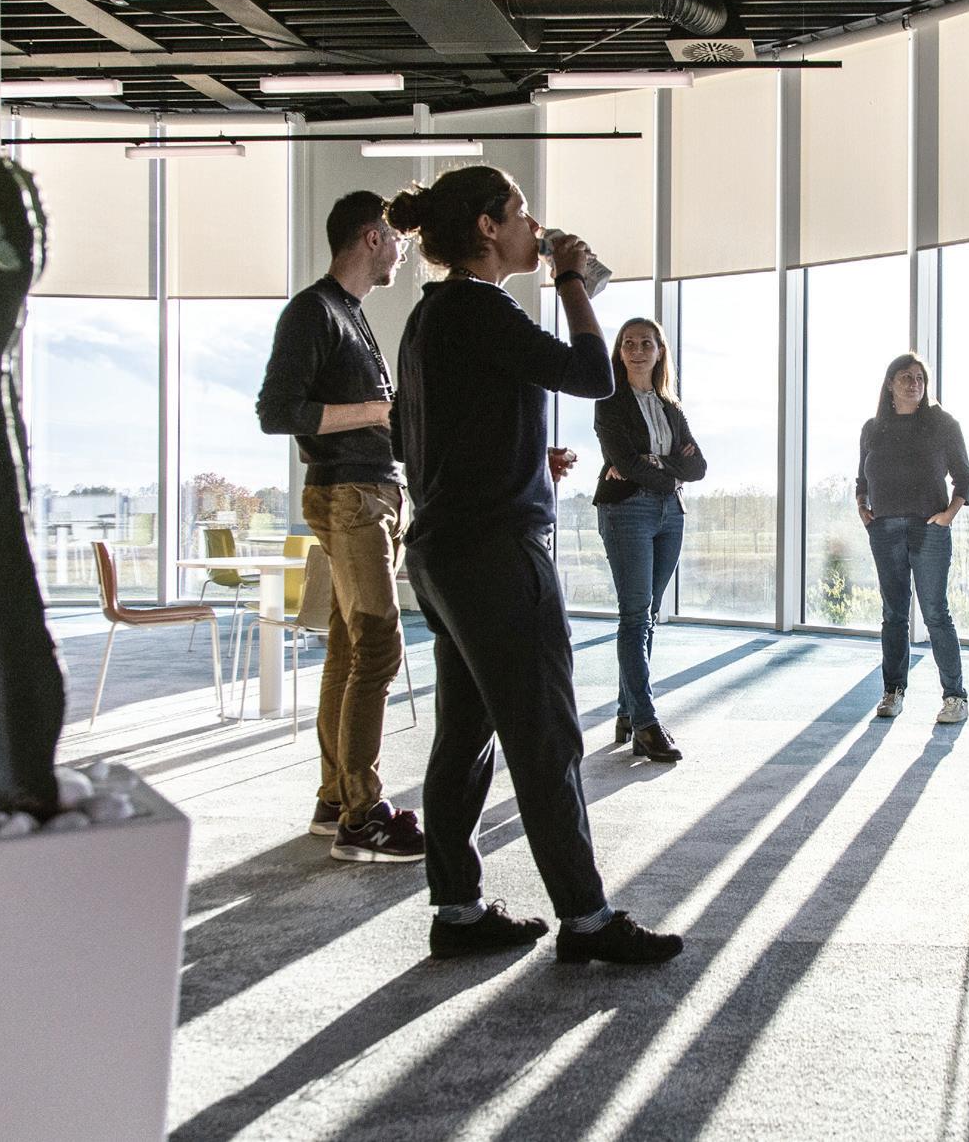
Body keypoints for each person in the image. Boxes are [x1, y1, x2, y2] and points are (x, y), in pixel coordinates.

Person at [389, 165, 681, 966]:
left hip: (444, 550)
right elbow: (591, 375)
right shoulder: (482, 306)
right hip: (495, 553)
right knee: (545, 734)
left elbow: (412, 436)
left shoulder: (429, 316)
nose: (533, 224)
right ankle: (586, 920)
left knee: (465, 735)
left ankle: (457, 910)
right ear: (487, 227)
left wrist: (516, 459)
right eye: (520, 211)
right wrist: (572, 281)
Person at [257, 191, 424, 863]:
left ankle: (336, 799)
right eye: (396, 237)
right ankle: (363, 818)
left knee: (350, 650)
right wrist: (377, 412)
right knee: (379, 647)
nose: (404, 247)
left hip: (371, 493)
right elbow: (278, 411)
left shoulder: (349, 312)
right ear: (371, 237)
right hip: (350, 497)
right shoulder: (314, 310)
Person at [592, 318, 706, 763]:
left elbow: (698, 468)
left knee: (648, 616)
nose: (637, 350)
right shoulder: (610, 404)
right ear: (619, 352)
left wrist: (654, 464)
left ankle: (627, 713)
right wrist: (668, 467)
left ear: (660, 352)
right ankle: (645, 723)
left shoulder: (671, 407)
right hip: (627, 511)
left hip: (671, 514)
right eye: (629, 343)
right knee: (636, 616)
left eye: (646, 343)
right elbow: (624, 463)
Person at [856, 352, 969, 725]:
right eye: (906, 376)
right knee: (893, 614)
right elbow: (862, 477)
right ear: (890, 384)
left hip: (929, 529)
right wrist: (862, 506)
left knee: (935, 612)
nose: (914, 383)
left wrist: (948, 515)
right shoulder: (872, 429)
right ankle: (893, 691)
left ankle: (955, 697)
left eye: (920, 377)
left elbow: (964, 478)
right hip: (885, 529)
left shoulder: (943, 424)